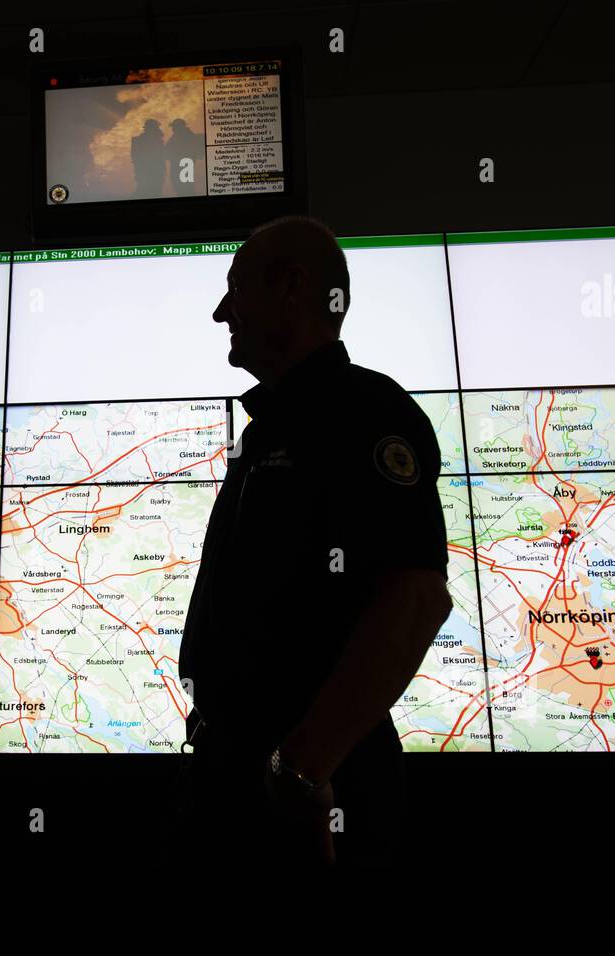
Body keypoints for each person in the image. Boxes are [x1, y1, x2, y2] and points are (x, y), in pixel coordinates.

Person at [173, 214, 454, 867]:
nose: (221, 312)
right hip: (239, 772)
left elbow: (416, 599)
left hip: (315, 790)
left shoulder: (366, 414)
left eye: (236, 290)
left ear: (293, 287)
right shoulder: (267, 430)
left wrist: (301, 769)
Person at [130, 118, 167, 198]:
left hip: (153, 170)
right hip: (149, 170)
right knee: (147, 190)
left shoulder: (154, 139)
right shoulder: (149, 140)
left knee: (149, 190)